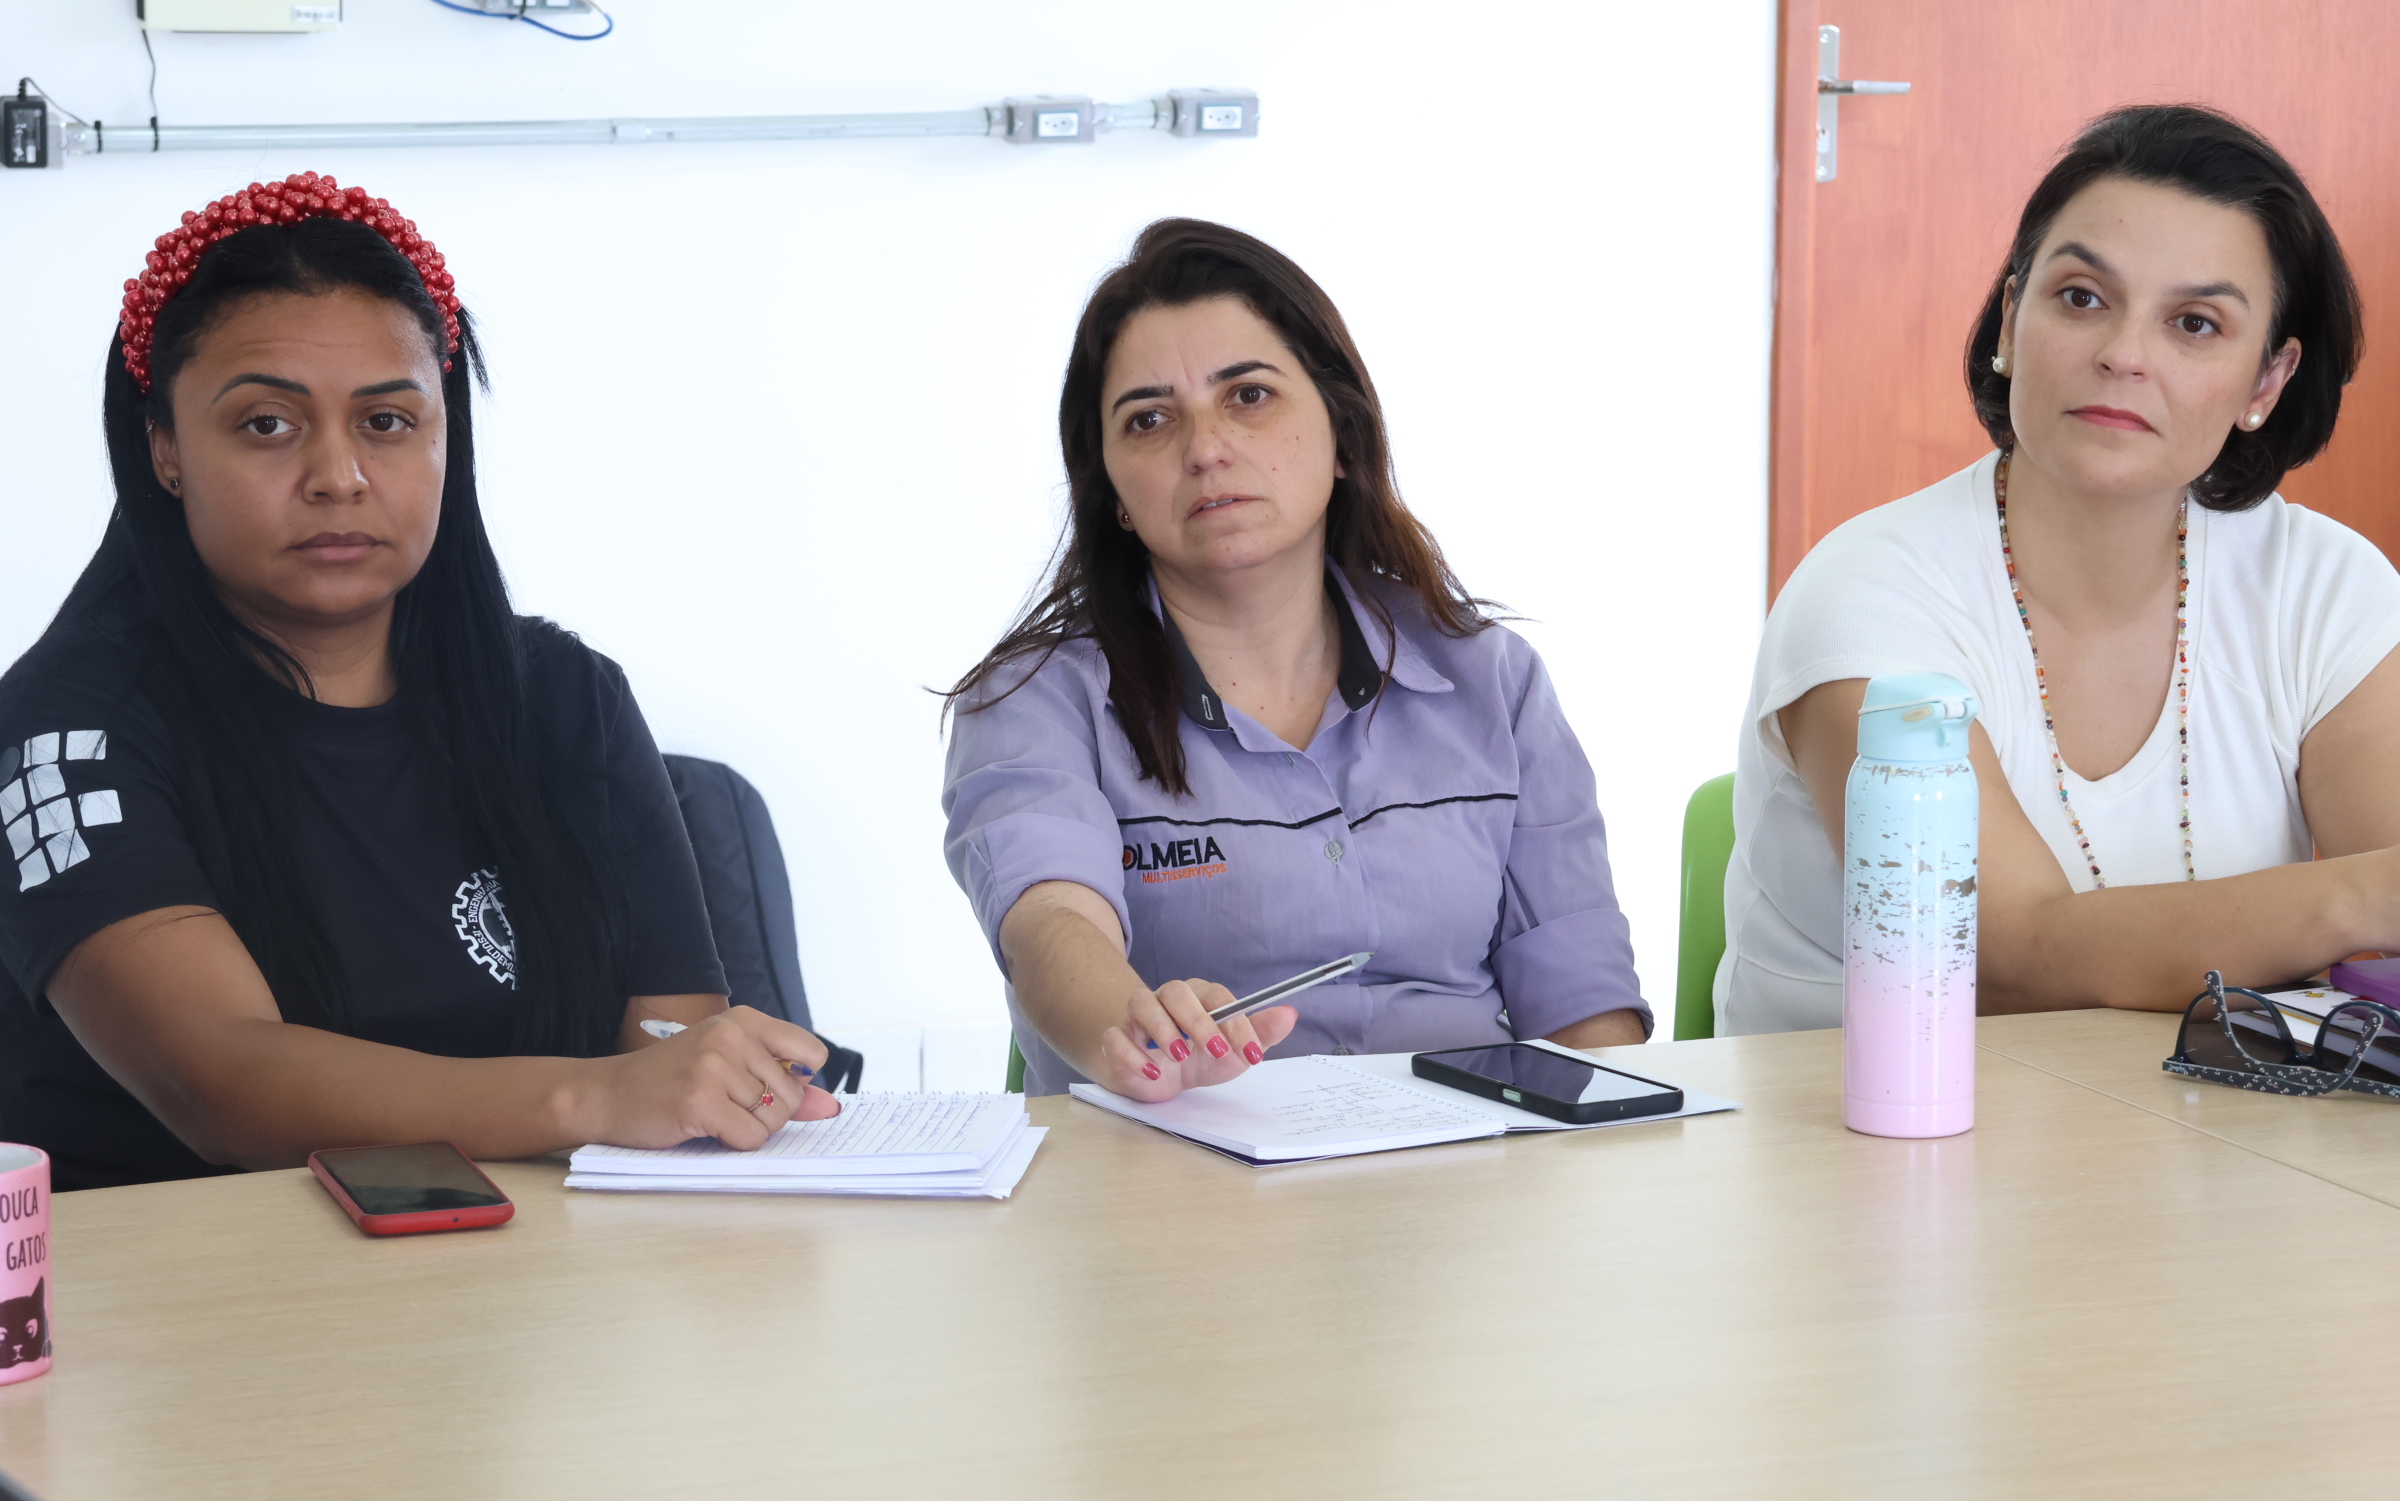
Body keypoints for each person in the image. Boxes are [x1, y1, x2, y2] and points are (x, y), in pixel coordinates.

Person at [0, 174, 837, 1189]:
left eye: (387, 422)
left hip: (545, 1272)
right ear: (164, 448)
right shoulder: (60, 733)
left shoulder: (566, 697)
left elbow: (672, 1053)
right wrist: (594, 1098)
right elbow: (222, 1086)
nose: (338, 475)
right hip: (199, 1277)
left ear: (447, 436)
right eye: (267, 424)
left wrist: (698, 1084)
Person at [1718, 105, 2400, 1035]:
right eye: (2081, 298)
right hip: (1865, 1118)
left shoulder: (2326, 587)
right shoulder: (1866, 597)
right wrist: (2354, 901)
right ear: (2011, 318)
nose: (2123, 355)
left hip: (2204, 1121)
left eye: (2195, 323)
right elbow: (1995, 959)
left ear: (2267, 382)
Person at [942, 218, 1649, 1099]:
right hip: (1181, 1163)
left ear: (1343, 435)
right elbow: (1050, 923)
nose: (1206, 449)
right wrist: (1134, 1035)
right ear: (1113, 492)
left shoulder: (1493, 680)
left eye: (1249, 396)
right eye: (1149, 419)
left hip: (1477, 1158)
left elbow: (1583, 1006)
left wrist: (1604, 1142)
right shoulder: (1034, 700)